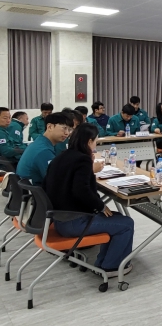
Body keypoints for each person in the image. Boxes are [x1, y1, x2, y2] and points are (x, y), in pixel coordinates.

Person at [44, 123, 134, 277]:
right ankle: (111, 267)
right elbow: (81, 190)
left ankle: (102, 262)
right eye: (96, 141)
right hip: (74, 222)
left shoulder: (62, 156)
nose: (96, 145)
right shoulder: (82, 160)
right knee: (126, 224)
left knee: (117, 217)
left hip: (59, 219)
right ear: (89, 141)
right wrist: (100, 206)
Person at [16, 112, 73, 186]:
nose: (67, 133)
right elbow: (56, 180)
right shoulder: (44, 151)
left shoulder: (40, 142)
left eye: (69, 130)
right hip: (38, 190)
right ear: (50, 127)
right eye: (64, 128)